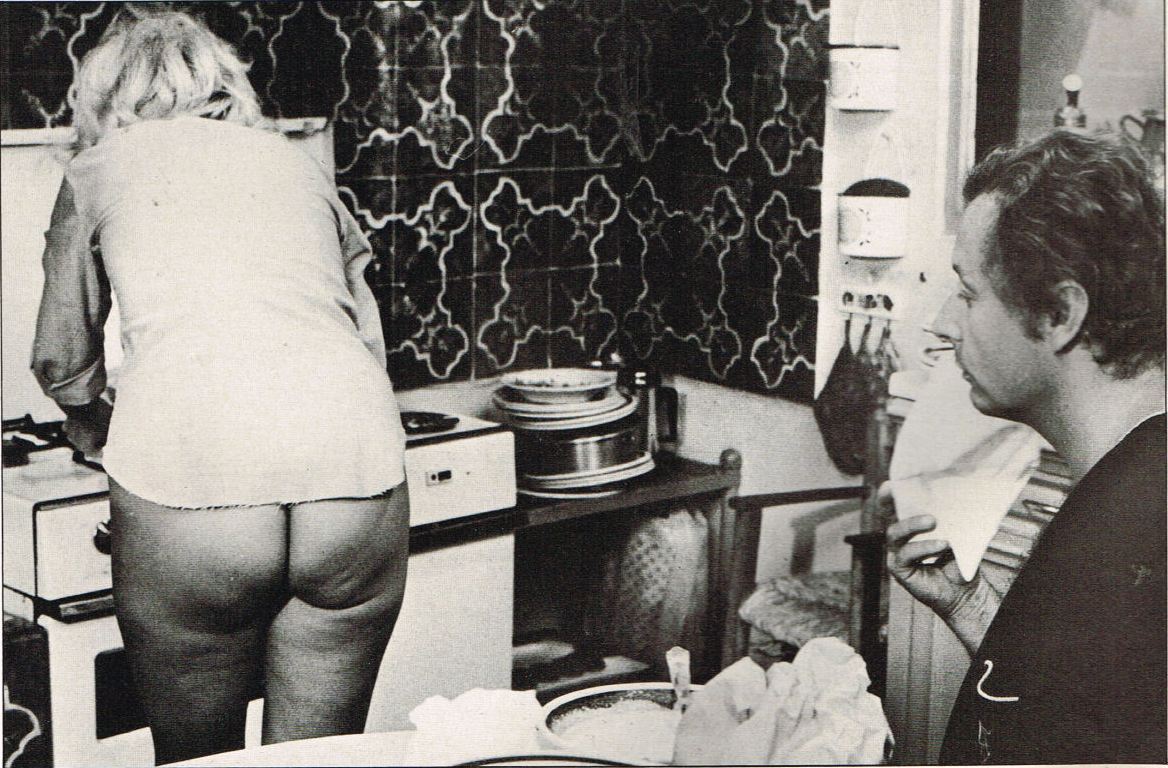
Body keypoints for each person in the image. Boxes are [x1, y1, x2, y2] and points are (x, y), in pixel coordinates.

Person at [31, 8, 410, 764]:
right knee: (318, 763)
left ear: (102, 97)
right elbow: (367, 340)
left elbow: (61, 357)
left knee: (199, 761)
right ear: (226, 86)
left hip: (196, 484)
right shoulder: (295, 163)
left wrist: (89, 421)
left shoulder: (98, 168)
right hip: (356, 478)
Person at [885, 129, 1165, 764]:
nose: (942, 324)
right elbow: (1080, 715)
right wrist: (973, 607)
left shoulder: (1140, 523)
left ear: (1059, 314)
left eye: (967, 293)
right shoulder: (1119, 485)